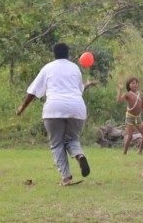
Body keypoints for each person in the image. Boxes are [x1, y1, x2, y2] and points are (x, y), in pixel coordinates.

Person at [16, 43, 95, 186]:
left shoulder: (48, 68)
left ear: (54, 54)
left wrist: (22, 107)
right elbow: (79, 90)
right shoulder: (75, 68)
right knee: (72, 139)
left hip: (54, 108)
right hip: (77, 108)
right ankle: (79, 155)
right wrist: (87, 84)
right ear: (68, 54)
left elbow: (33, 91)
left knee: (57, 143)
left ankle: (66, 177)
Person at [116, 77, 143, 154]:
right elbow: (119, 100)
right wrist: (120, 90)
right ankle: (124, 152)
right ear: (129, 85)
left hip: (138, 117)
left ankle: (140, 151)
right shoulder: (128, 94)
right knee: (130, 136)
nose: (135, 84)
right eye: (133, 83)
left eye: (136, 83)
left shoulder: (140, 95)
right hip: (130, 117)